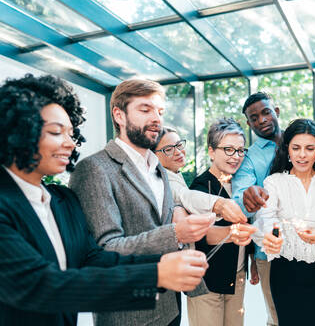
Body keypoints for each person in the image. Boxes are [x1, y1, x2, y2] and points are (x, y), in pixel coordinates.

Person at [0, 74, 208, 326]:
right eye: (56, 132)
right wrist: (156, 275)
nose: (69, 143)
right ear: (18, 130)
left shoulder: (62, 201)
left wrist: (165, 263)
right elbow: (42, 285)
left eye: (71, 133)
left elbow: (94, 258)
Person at [69, 79, 214, 326]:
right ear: (119, 115)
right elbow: (106, 250)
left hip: (170, 308)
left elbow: (160, 220)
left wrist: (178, 216)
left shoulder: (158, 167)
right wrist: (176, 233)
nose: (157, 118)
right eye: (145, 110)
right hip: (128, 315)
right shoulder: (94, 169)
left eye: (160, 111)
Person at [253, 118, 315, 326]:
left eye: (309, 148)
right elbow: (266, 220)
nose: (302, 155)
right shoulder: (274, 182)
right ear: (287, 149)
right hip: (286, 274)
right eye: (296, 148)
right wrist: (271, 235)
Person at [187, 118, 257, 326]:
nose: (236, 157)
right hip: (206, 281)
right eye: (228, 149)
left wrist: (252, 261)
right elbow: (203, 234)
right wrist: (235, 232)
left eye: (240, 150)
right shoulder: (199, 187)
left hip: (236, 276)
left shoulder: (242, 185)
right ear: (211, 151)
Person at [232, 92, 281, 326]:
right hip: (269, 253)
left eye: (266, 112)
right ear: (249, 124)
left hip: (308, 244)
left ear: (276, 112)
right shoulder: (248, 158)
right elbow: (239, 200)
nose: (261, 120)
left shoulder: (301, 142)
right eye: (254, 118)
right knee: (277, 316)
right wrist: (248, 195)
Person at [153, 127, 246, 223]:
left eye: (179, 145)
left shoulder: (242, 179)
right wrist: (218, 204)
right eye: (168, 149)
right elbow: (183, 195)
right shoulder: (159, 180)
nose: (178, 152)